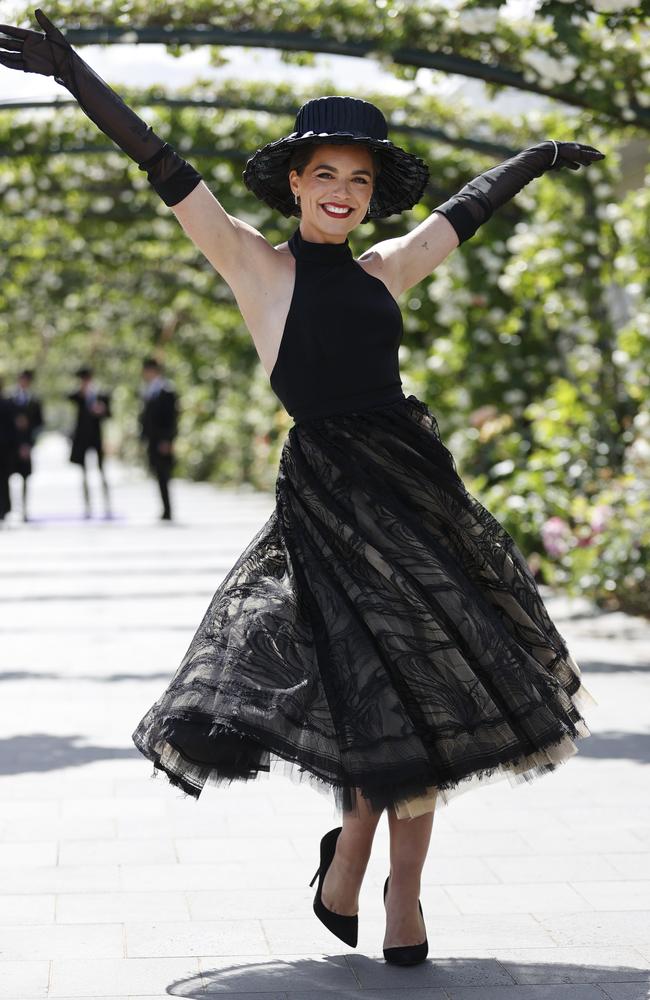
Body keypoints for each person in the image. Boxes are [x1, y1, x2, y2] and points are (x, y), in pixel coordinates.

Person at [1, 12, 603, 965]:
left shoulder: (383, 272)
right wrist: (75, 76)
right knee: (381, 693)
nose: (344, 192)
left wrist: (530, 157)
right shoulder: (257, 268)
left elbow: (465, 212)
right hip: (326, 506)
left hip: (415, 494)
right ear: (293, 181)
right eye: (326, 173)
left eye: (360, 180)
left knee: (424, 687)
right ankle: (358, 871)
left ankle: (381, 883)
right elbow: (162, 164)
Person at [67, 366, 112, 518]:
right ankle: (87, 506)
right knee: (83, 473)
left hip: (96, 438)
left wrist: (102, 410)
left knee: (101, 471)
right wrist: (82, 391)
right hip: (82, 439)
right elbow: (70, 397)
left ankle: (107, 505)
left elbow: (109, 414)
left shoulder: (101, 394)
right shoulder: (80, 395)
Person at [140, 357, 178, 521]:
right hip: (152, 440)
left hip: (162, 441)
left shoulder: (166, 391)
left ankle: (168, 509)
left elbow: (172, 419)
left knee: (164, 475)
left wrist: (168, 440)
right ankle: (164, 508)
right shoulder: (149, 390)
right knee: (158, 474)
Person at [10, 368, 44, 522]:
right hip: (11, 445)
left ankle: (24, 508)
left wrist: (29, 444)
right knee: (8, 477)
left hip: (27, 445)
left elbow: (39, 424)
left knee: (25, 477)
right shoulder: (10, 399)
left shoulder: (35, 401)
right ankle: (9, 507)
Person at [0, 377, 17, 523]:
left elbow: (12, 428)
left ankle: (5, 509)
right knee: (4, 480)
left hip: (5, 449)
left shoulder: (8, 403)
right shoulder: (9, 403)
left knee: (4, 480)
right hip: (6, 448)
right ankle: (5, 508)